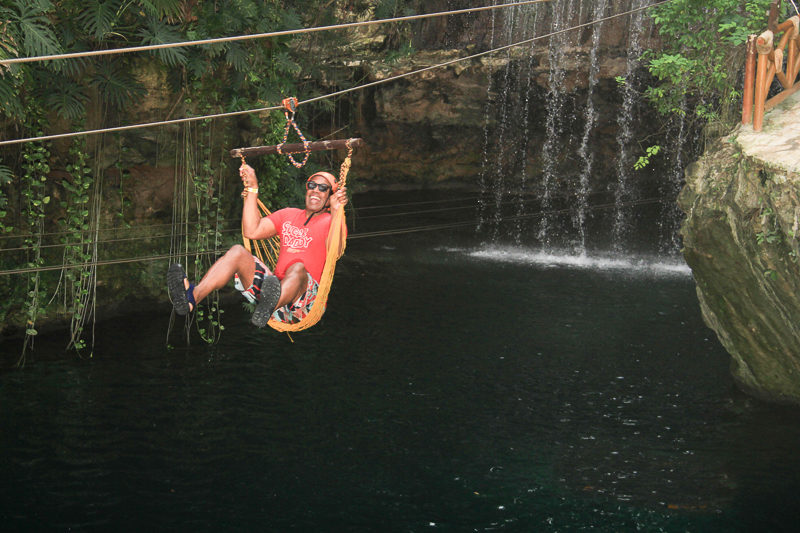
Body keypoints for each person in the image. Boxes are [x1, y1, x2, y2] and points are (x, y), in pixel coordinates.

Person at [167, 163, 348, 327]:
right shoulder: (288, 215)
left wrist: (337, 210)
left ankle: (270, 304)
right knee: (238, 252)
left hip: (304, 305)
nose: (315, 190)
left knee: (298, 268)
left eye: (323, 188)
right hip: (272, 294)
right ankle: (192, 297)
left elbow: (336, 250)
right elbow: (252, 231)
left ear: (330, 196)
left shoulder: (332, 222)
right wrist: (252, 189)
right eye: (312, 185)